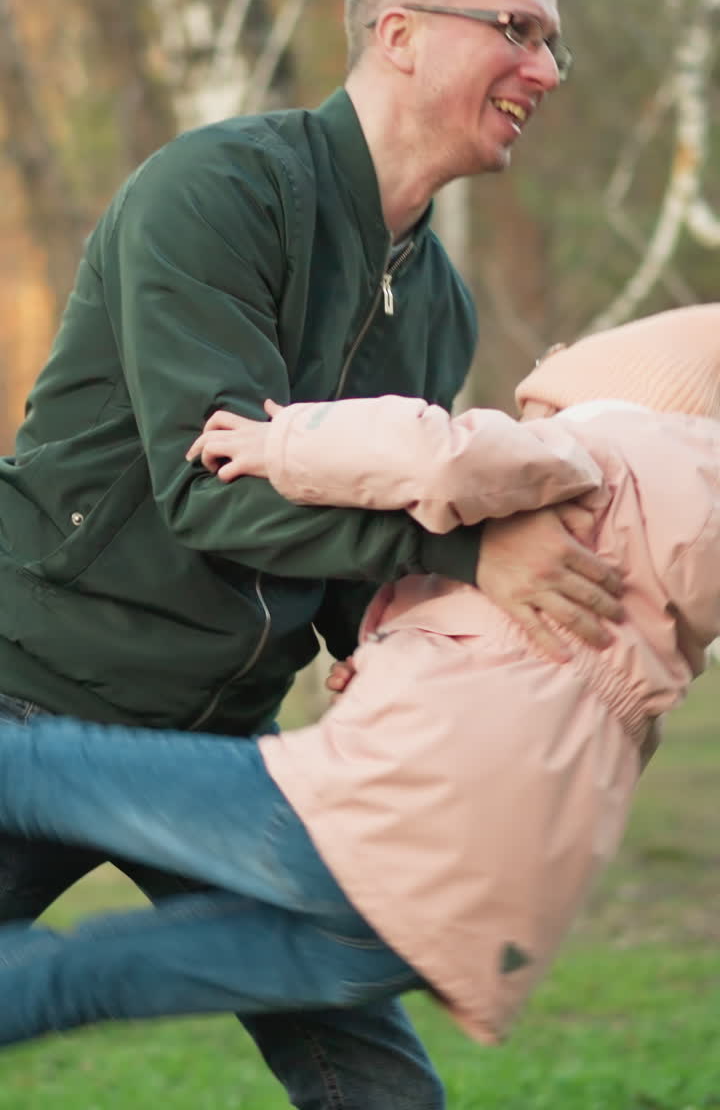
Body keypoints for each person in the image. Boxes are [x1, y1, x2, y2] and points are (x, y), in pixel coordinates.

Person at [0, 0, 622, 1106]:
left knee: (378, 1083)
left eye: (553, 44)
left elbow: (361, 533)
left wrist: (387, 639)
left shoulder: (436, 300)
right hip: (42, 696)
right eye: (518, 30)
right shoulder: (217, 192)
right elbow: (212, 489)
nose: (543, 69)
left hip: (220, 741)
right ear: (399, 34)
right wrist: (465, 547)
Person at [0, 305, 715, 1053]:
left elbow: (438, 454)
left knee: (41, 770)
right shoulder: (671, 571)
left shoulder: (604, 452)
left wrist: (278, 440)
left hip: (373, 825)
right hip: (442, 924)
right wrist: (390, 658)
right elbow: (539, 694)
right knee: (84, 976)